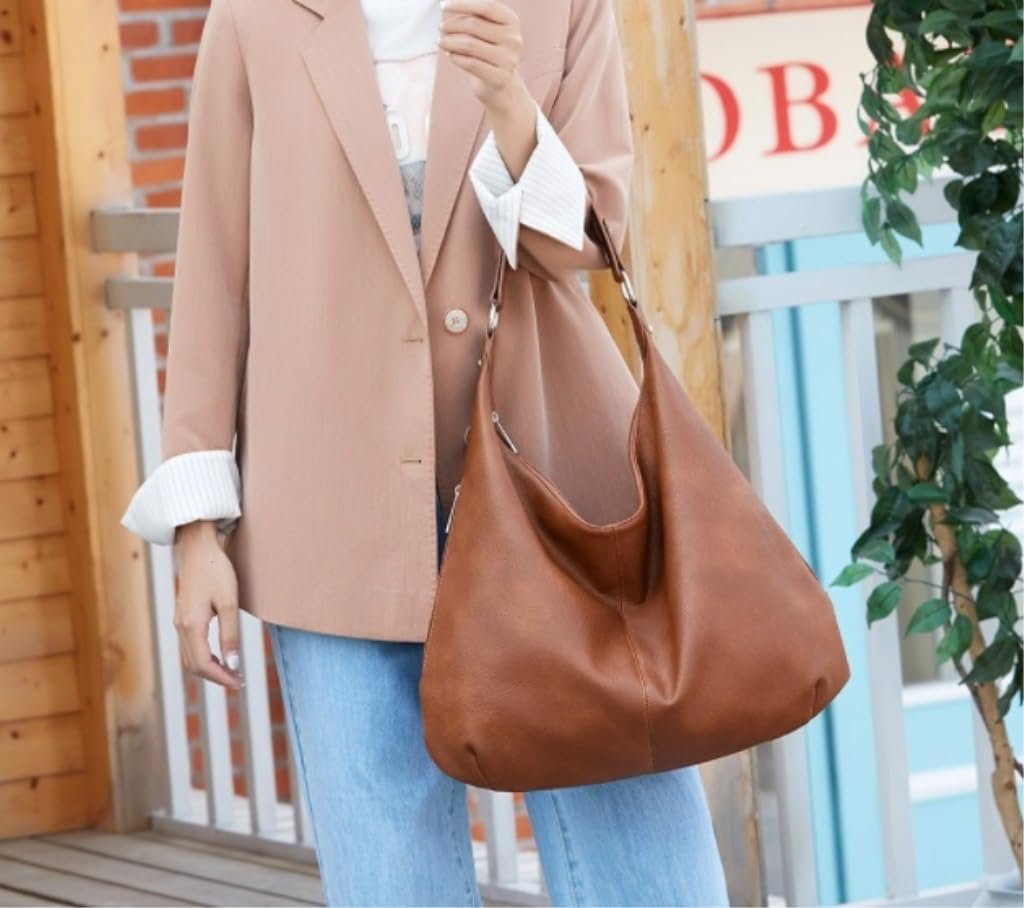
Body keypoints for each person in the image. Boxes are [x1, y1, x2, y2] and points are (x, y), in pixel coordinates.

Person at [121, 0, 731, 904]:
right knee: (390, 874)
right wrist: (197, 529)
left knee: (641, 846)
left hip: (552, 486)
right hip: (329, 510)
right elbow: (213, 268)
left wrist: (508, 100)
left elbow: (587, 242)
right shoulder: (255, 15)